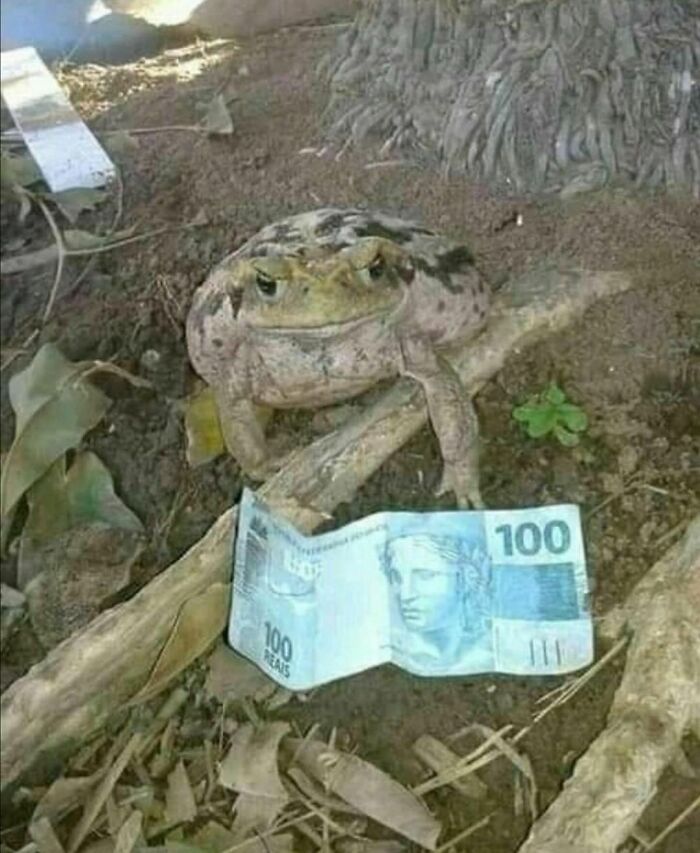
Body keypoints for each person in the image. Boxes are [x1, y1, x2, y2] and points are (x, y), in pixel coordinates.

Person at [380, 533, 493, 672]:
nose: (405, 595)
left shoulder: (483, 654)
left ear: (462, 580)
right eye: (396, 576)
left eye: (425, 576)